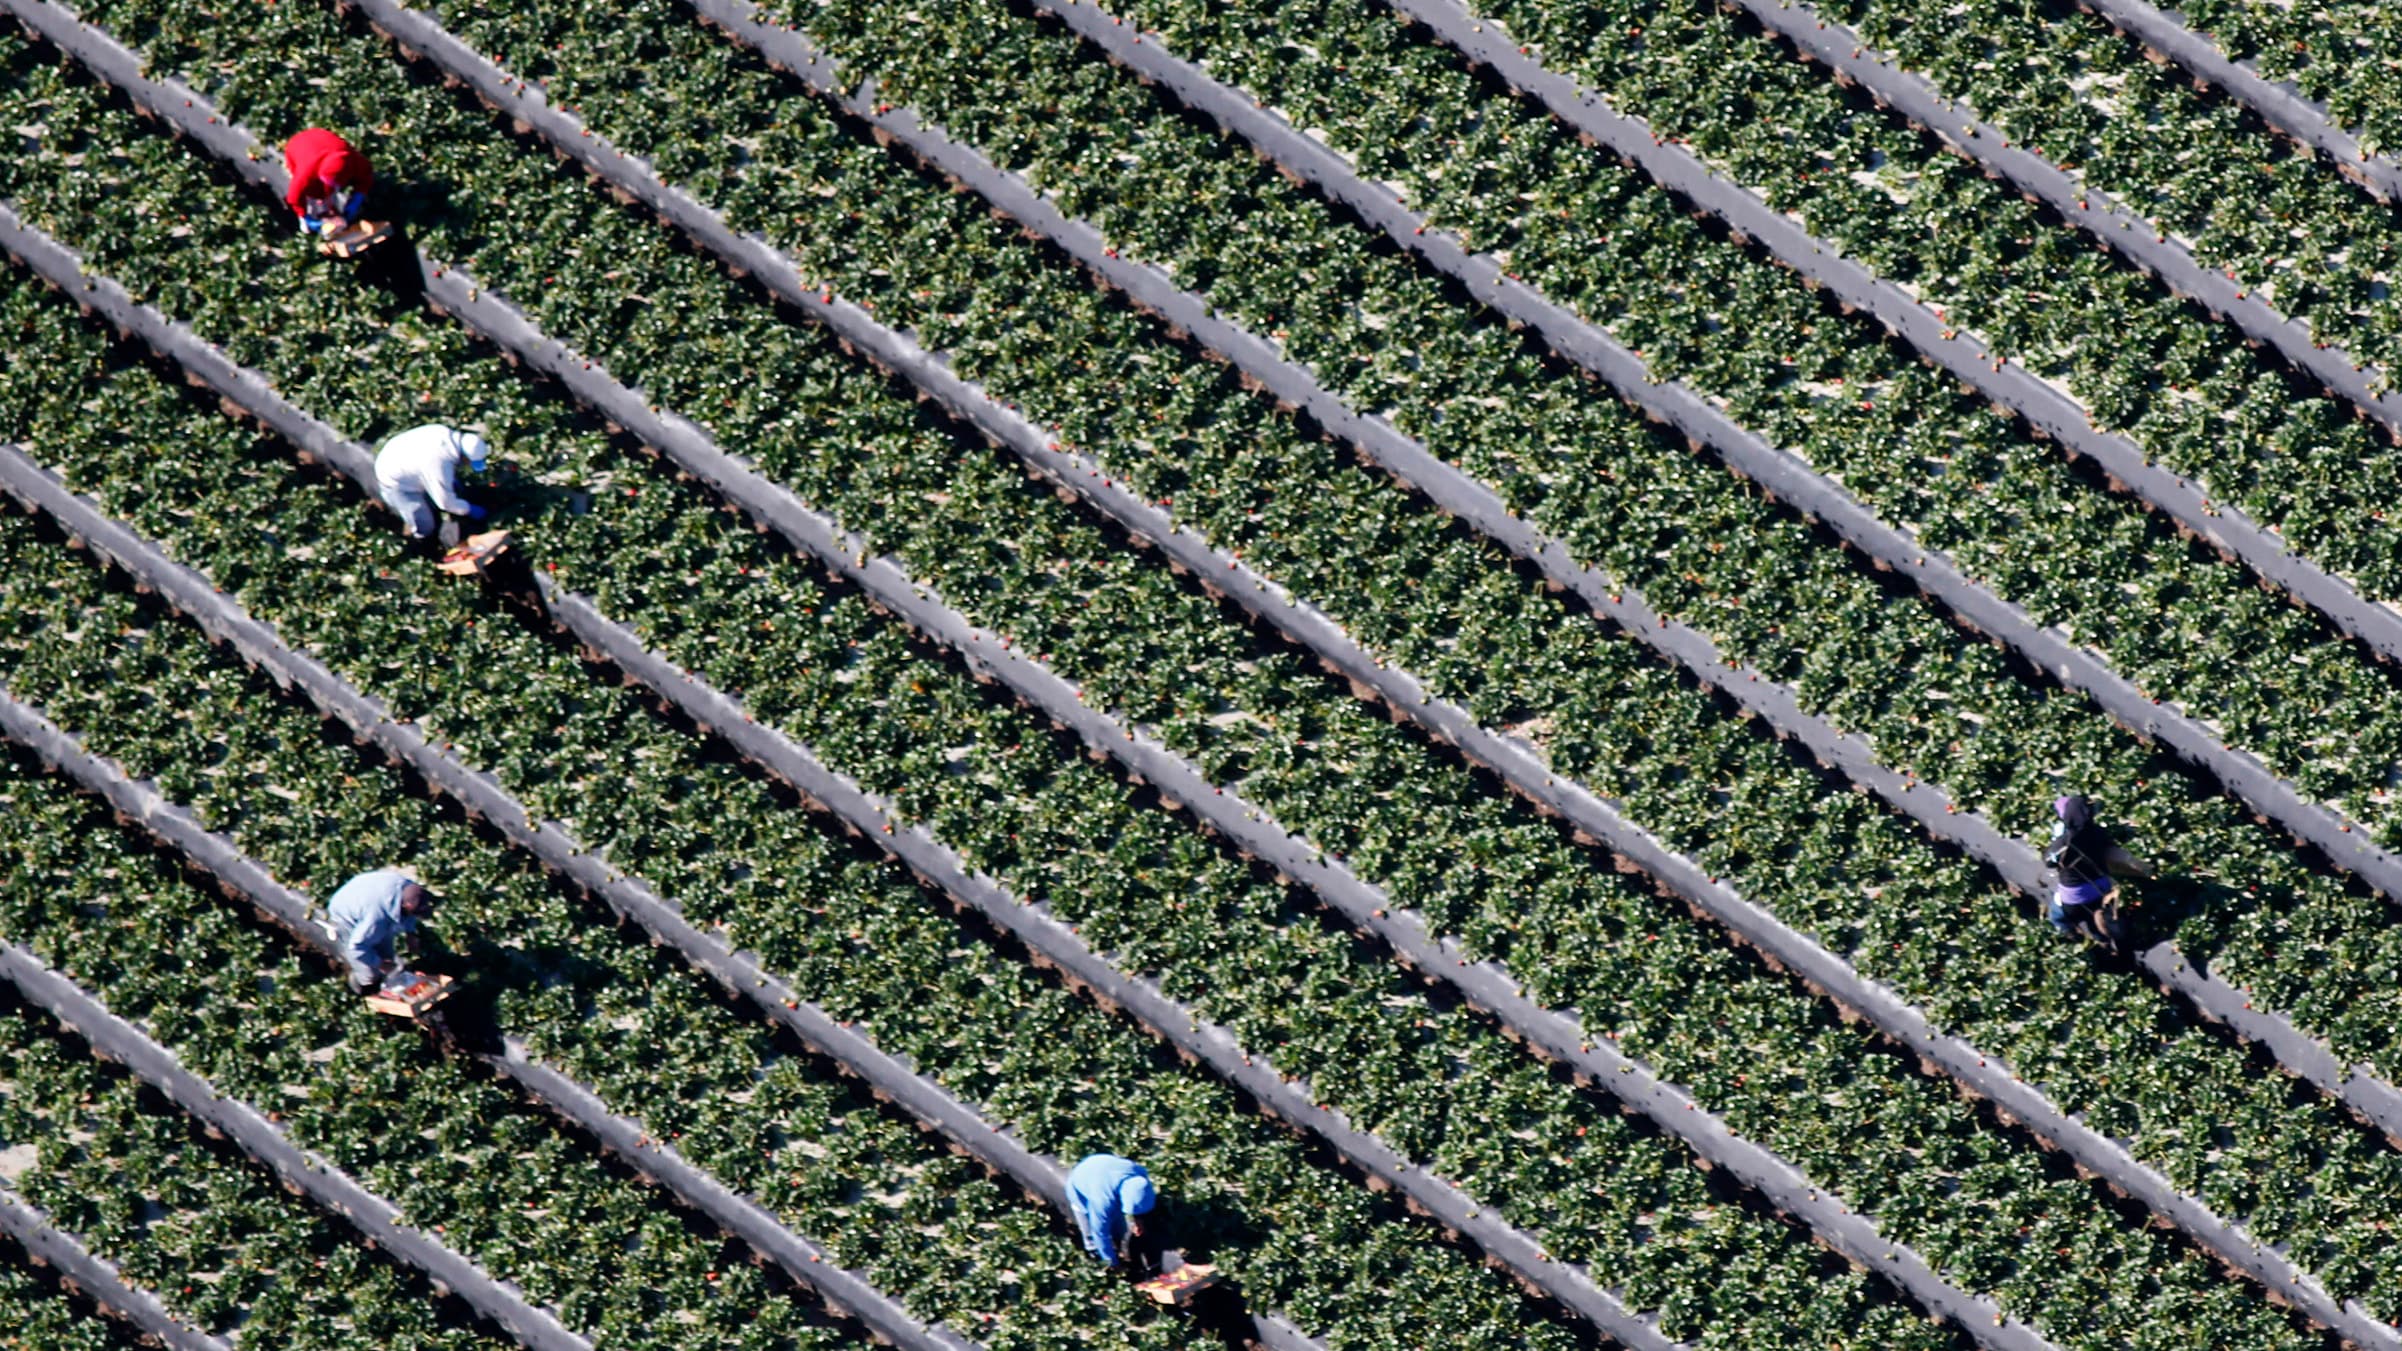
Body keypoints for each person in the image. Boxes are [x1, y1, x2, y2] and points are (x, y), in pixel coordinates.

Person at [2043, 795, 2149, 948]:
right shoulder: (2097, 832)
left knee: (2057, 917)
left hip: (2075, 895)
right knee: (2093, 914)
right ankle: (2103, 938)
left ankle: (2074, 937)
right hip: (2101, 888)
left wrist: (2056, 839)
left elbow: (2049, 862)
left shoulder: (2064, 841)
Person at [374, 424, 490, 548]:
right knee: (424, 523)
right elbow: (445, 503)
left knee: (444, 487)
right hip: (394, 480)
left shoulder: (443, 431)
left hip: (402, 459)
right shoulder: (438, 463)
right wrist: (469, 509)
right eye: (468, 463)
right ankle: (421, 542)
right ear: (463, 456)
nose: (467, 466)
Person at [326, 869, 436, 995]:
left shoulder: (409, 888)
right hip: (344, 913)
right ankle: (361, 985)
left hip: (368, 897)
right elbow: (356, 947)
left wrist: (410, 933)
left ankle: (389, 983)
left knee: (387, 953)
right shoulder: (377, 918)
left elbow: (410, 915)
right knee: (369, 969)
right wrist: (379, 964)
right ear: (405, 906)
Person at [1066, 1153, 1166, 1279]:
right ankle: (1097, 1258)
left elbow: (1138, 1205)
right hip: (1080, 1184)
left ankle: (1123, 1252)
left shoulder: (1139, 1173)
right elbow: (1099, 1233)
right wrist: (1113, 1263)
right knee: (1093, 1234)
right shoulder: (1102, 1201)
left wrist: (1137, 1221)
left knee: (1119, 1227)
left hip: (1104, 1168)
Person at [281, 128, 375, 236]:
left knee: (328, 195)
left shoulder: (354, 160)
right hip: (298, 146)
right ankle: (317, 219)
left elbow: (366, 176)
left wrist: (357, 198)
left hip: (324, 143)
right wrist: (304, 216)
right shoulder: (306, 171)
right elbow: (294, 197)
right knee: (312, 193)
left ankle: (331, 214)